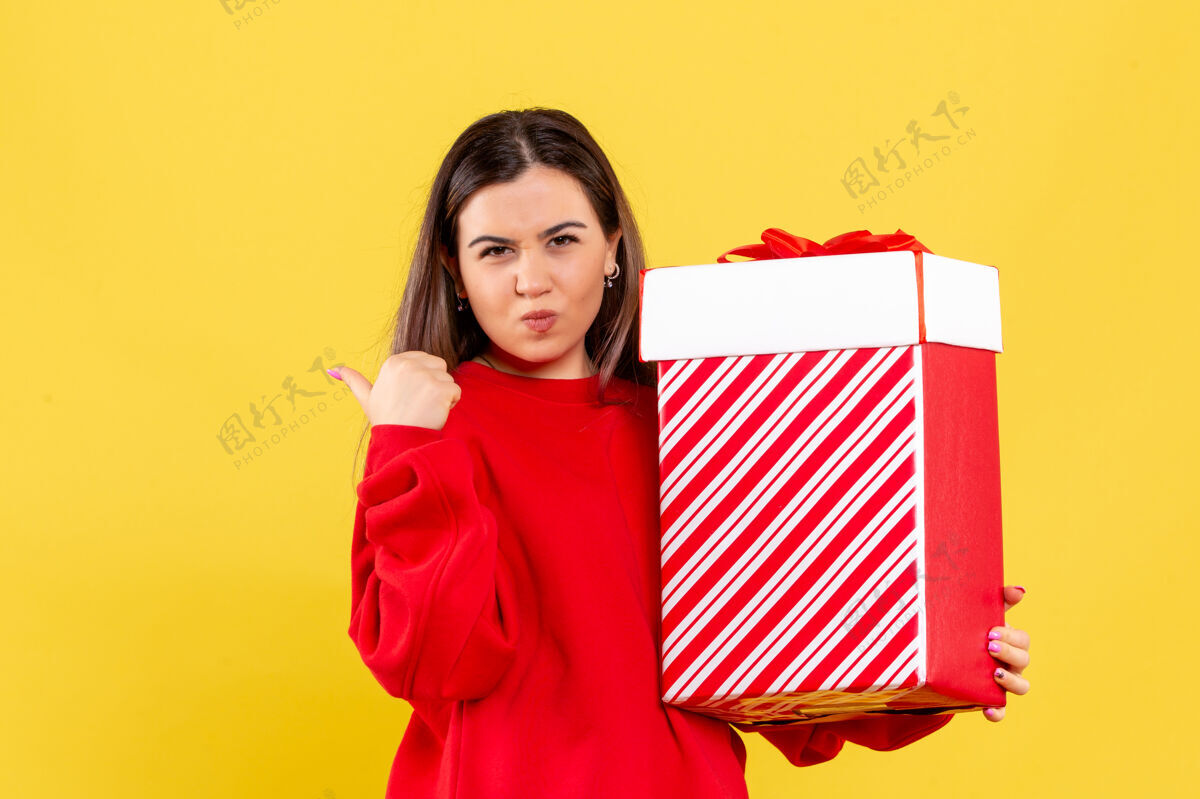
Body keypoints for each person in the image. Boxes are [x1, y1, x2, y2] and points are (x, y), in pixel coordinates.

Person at [330, 108, 1032, 798]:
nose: (531, 279)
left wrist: (943, 643)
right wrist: (407, 446)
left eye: (562, 241)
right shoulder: (431, 425)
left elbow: (776, 660)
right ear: (453, 267)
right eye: (496, 250)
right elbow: (436, 662)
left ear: (612, 248)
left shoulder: (699, 416)